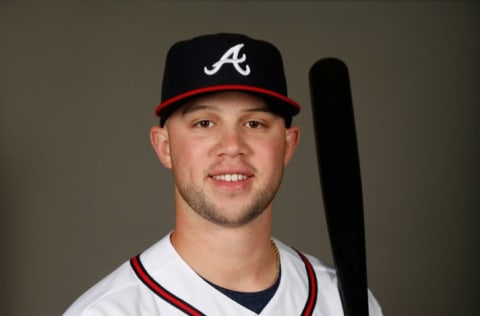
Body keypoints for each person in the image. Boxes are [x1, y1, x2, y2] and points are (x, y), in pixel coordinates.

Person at [64, 33, 383, 315]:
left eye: (254, 124)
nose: (232, 146)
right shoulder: (108, 311)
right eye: (204, 123)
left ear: (288, 144)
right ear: (164, 147)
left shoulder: (344, 302)